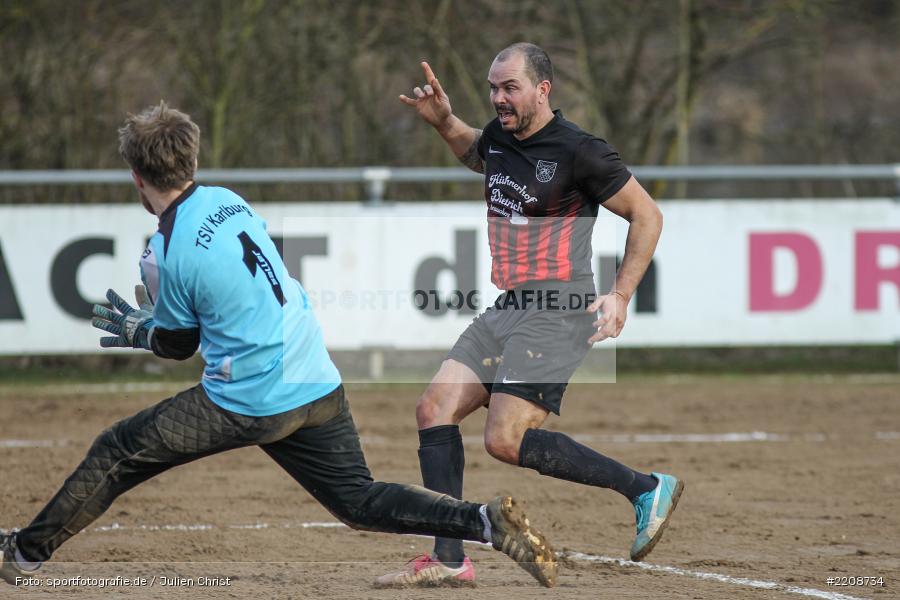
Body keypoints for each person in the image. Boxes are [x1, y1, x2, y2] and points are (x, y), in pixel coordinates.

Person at [0, 101, 558, 589]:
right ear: (191, 161)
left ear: (136, 177)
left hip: (250, 397)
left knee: (117, 451)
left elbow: (176, 344)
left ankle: (24, 554)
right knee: (358, 500)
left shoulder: (164, 251)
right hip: (313, 375)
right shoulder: (229, 201)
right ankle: (484, 522)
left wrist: (139, 329)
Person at [376, 43, 682, 587]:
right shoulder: (500, 135)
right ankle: (450, 559)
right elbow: (478, 152)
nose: (498, 99)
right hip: (509, 307)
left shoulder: (580, 150)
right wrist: (445, 121)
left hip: (559, 310)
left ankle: (643, 487)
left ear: (543, 89)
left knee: (505, 439)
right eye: (493, 89)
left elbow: (647, 215)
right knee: (434, 410)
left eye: (509, 88)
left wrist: (620, 295)